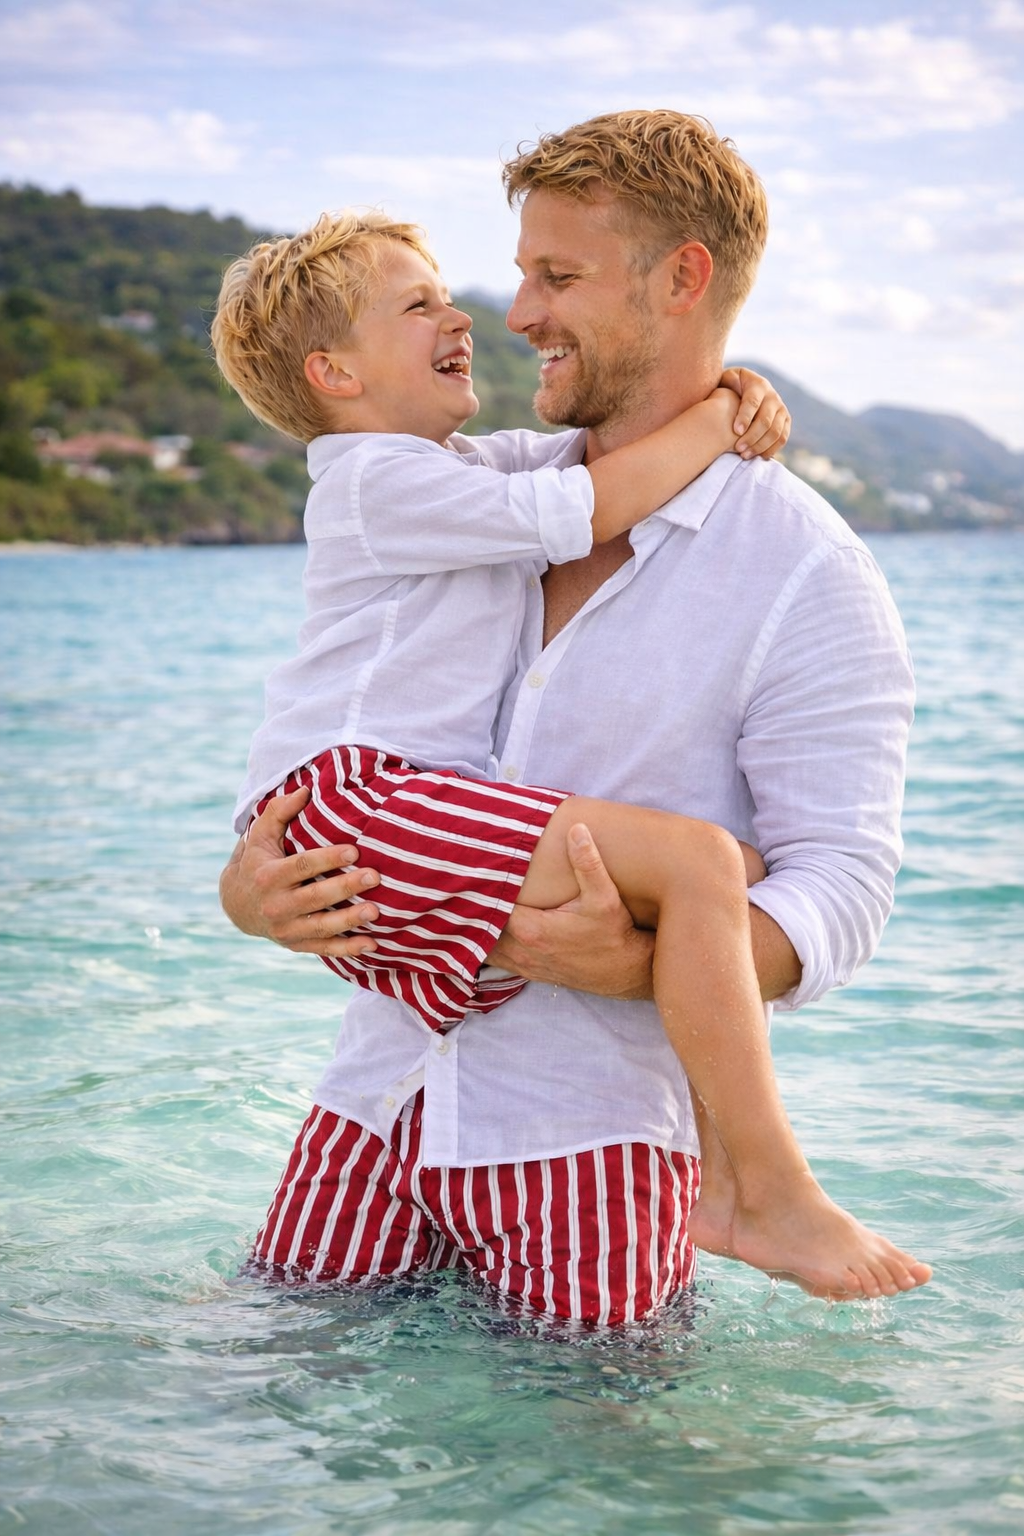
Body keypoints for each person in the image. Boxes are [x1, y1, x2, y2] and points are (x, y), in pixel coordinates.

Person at [221, 110, 932, 1323]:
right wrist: (252, 899)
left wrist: (637, 964)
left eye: (555, 275)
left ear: (681, 279)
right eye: (516, 274)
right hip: (382, 1092)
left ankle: (757, 1188)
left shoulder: (805, 570)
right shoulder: (489, 486)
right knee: (259, 1405)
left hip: (588, 1140)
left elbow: (841, 888)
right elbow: (350, 735)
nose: (513, 315)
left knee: (605, 1475)